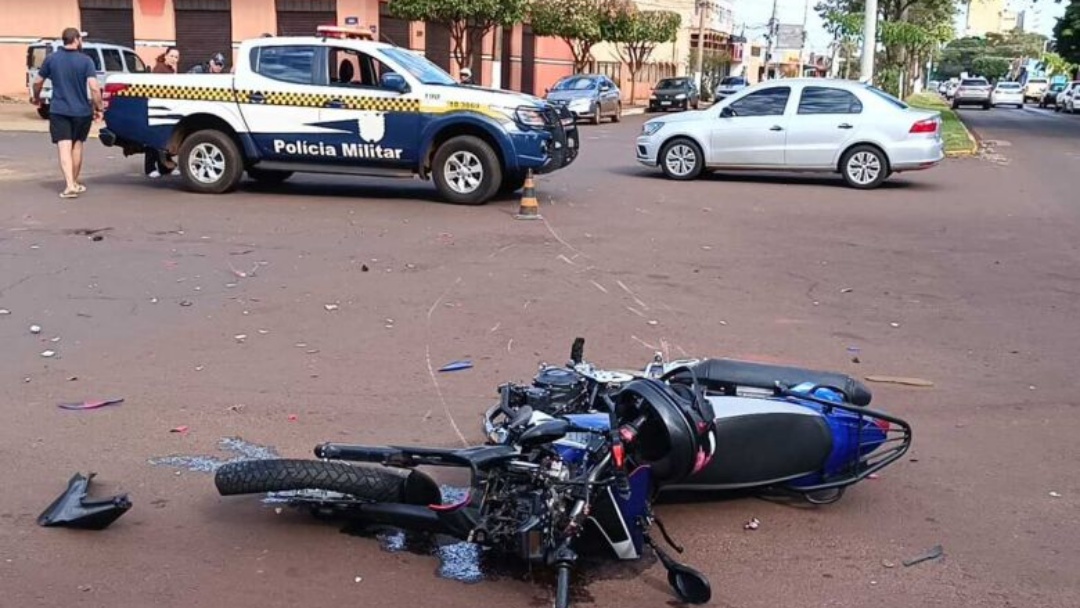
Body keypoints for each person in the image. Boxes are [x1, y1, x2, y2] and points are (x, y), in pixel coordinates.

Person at [30, 27, 102, 199]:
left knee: (64, 147)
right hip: (82, 111)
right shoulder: (86, 61)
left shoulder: (51, 59)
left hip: (59, 110)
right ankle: (74, 183)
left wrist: (36, 97)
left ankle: (70, 185)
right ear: (76, 40)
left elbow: (37, 82)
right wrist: (99, 108)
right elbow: (94, 87)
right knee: (77, 146)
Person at [146, 47, 180, 178]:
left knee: (165, 141)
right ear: (166, 56)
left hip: (167, 109)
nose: (174, 59)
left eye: (176, 57)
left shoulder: (171, 70)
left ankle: (165, 167)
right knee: (154, 141)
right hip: (157, 108)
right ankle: (150, 168)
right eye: (172, 56)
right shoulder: (160, 70)